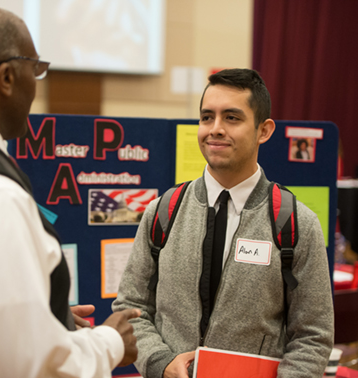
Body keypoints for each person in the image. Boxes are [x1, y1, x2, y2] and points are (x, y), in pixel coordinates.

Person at [0, 3, 140, 377]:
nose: (37, 82)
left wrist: (48, 318)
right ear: (6, 77)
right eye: (36, 69)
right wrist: (109, 342)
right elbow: (26, 367)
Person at [112, 68, 334, 378]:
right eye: (206, 117)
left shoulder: (296, 224)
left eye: (232, 118)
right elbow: (131, 308)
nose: (215, 129)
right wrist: (161, 364)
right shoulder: (163, 211)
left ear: (264, 130)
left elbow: (313, 336)